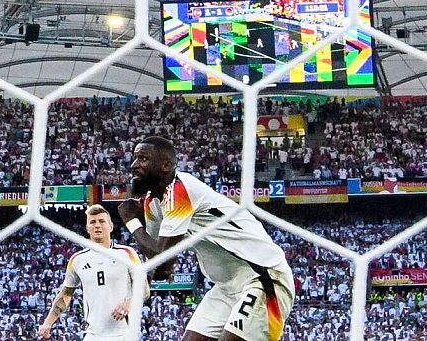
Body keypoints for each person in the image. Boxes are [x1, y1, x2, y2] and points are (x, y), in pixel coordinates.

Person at [116, 136, 295, 341]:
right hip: (227, 288)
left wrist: (131, 222)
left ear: (165, 166)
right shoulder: (152, 203)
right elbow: (162, 270)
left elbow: (161, 257)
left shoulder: (180, 191)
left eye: (143, 158)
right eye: (135, 158)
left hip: (264, 277)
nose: (134, 165)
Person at [38, 204, 149, 341]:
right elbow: (66, 294)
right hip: (93, 335)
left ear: (111, 226)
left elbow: (144, 289)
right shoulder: (77, 259)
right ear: (87, 228)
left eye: (102, 221)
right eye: (92, 222)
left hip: (124, 334)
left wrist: (129, 304)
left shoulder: (127, 253)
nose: (97, 225)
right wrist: (47, 323)